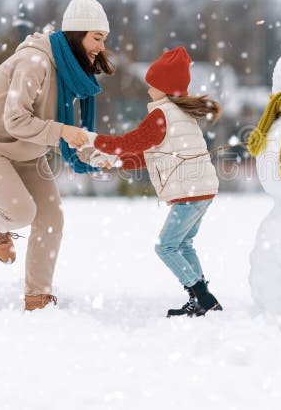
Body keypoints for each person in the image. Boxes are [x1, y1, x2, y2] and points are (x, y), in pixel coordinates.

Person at [0, 0, 114, 311]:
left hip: (25, 150)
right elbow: (15, 120)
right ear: (77, 34)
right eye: (97, 38)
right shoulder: (35, 61)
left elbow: (67, 132)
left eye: (104, 39)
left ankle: (37, 298)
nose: (101, 47)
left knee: (51, 218)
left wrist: (99, 152)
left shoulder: (70, 74)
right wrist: (63, 132)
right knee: (22, 212)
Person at [87, 46, 223, 317]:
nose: (149, 89)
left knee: (166, 246)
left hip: (191, 191)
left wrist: (92, 139)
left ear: (164, 87)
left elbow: (130, 142)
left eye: (153, 84)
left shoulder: (161, 115)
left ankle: (202, 296)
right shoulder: (179, 114)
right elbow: (149, 155)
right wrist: (114, 161)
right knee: (183, 245)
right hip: (202, 189)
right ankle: (202, 299)